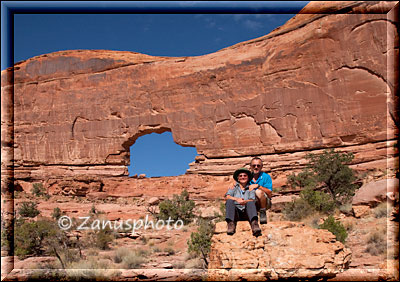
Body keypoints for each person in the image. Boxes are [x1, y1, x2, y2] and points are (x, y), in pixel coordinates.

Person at [225, 167, 262, 237]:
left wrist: (246, 201)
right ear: (238, 178)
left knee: (251, 203)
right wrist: (236, 199)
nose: (243, 177)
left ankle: (254, 225)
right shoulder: (233, 187)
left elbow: (252, 199)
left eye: (245, 176)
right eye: (240, 176)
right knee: (229, 201)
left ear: (248, 178)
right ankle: (230, 224)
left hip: (247, 213)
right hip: (236, 213)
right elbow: (227, 196)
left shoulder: (250, 188)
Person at [248, 157, 273, 224]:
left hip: (264, 202)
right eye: (254, 165)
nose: (256, 167)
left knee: (258, 191)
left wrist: (258, 186)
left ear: (261, 167)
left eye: (258, 165)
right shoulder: (246, 176)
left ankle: (262, 213)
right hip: (251, 201)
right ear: (250, 166)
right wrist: (233, 183)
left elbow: (270, 194)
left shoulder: (266, 177)